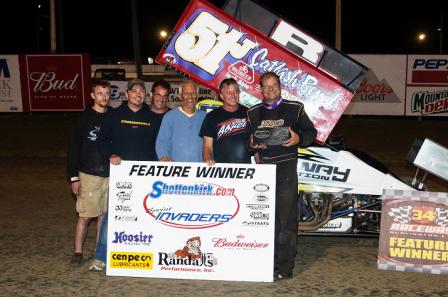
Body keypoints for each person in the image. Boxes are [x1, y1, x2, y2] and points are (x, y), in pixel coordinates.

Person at [247, 72, 317, 281]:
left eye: (274, 85)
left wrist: (299, 138)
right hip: (264, 172)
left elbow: (311, 133)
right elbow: (247, 143)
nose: (270, 89)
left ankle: (284, 267)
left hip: (286, 170)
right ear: (261, 89)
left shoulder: (295, 109)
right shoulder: (253, 112)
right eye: (266, 86)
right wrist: (251, 145)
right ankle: (265, 263)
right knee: (264, 221)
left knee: (286, 222)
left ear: (280, 86)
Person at [89, 79, 161, 271]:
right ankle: (100, 256)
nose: (138, 94)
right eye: (134, 91)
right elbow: (102, 141)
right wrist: (110, 154)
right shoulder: (113, 116)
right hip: (122, 175)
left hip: (147, 175)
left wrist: (160, 162)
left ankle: (146, 255)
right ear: (126, 94)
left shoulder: (153, 117)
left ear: (145, 95)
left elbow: (158, 145)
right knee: (113, 215)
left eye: (141, 91)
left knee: (148, 214)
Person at [67, 80, 111, 265]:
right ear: (93, 95)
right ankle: (78, 252)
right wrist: (73, 177)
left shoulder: (113, 116)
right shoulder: (83, 118)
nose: (104, 97)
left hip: (109, 174)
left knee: (103, 215)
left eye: (107, 93)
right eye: (100, 93)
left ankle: (98, 252)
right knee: (85, 216)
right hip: (88, 173)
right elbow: (73, 148)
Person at [199, 78, 251, 165]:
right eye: (228, 92)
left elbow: (255, 141)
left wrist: (260, 165)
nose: (233, 95)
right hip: (222, 171)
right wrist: (207, 162)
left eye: (235, 91)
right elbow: (207, 146)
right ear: (222, 96)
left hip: (245, 170)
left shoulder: (249, 113)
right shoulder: (211, 116)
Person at [156, 80, 206, 162]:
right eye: (186, 93)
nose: (190, 96)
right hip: (176, 171)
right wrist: (164, 156)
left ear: (197, 95)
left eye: (193, 93)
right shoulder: (169, 117)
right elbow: (162, 142)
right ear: (180, 96)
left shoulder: (205, 117)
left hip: (199, 171)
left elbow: (210, 145)